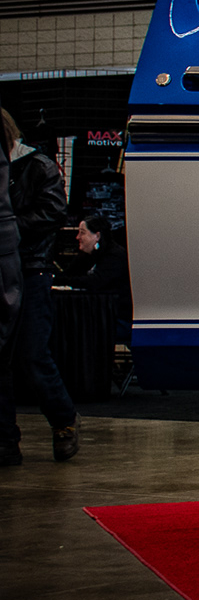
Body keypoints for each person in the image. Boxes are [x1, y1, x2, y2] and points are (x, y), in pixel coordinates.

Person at [0, 109, 77, 464]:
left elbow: (54, 212)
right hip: (12, 267)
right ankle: (6, 439)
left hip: (31, 269)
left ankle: (64, 420)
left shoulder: (37, 165)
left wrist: (10, 227)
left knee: (32, 354)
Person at [69, 215, 132, 343]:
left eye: (82, 233)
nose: (78, 237)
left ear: (97, 236)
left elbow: (95, 282)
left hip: (117, 318)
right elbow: (69, 275)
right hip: (98, 315)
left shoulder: (115, 256)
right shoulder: (87, 256)